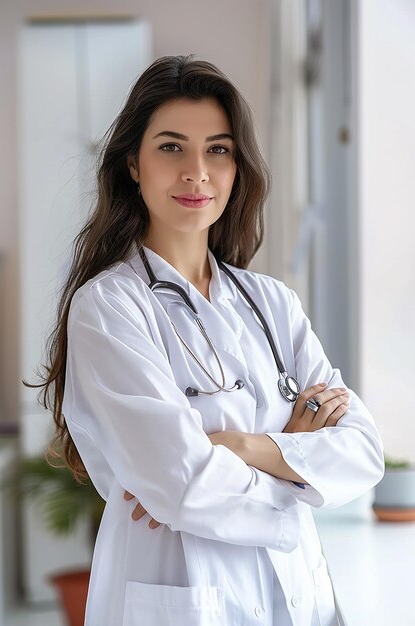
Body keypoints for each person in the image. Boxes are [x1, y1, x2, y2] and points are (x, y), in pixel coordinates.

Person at [38, 55, 384, 626]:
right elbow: (183, 487)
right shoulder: (107, 307)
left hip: (297, 593)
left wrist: (238, 447)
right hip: (180, 592)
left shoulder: (272, 302)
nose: (196, 171)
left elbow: (363, 451)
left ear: (237, 166)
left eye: (218, 149)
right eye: (171, 147)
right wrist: (295, 460)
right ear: (133, 164)